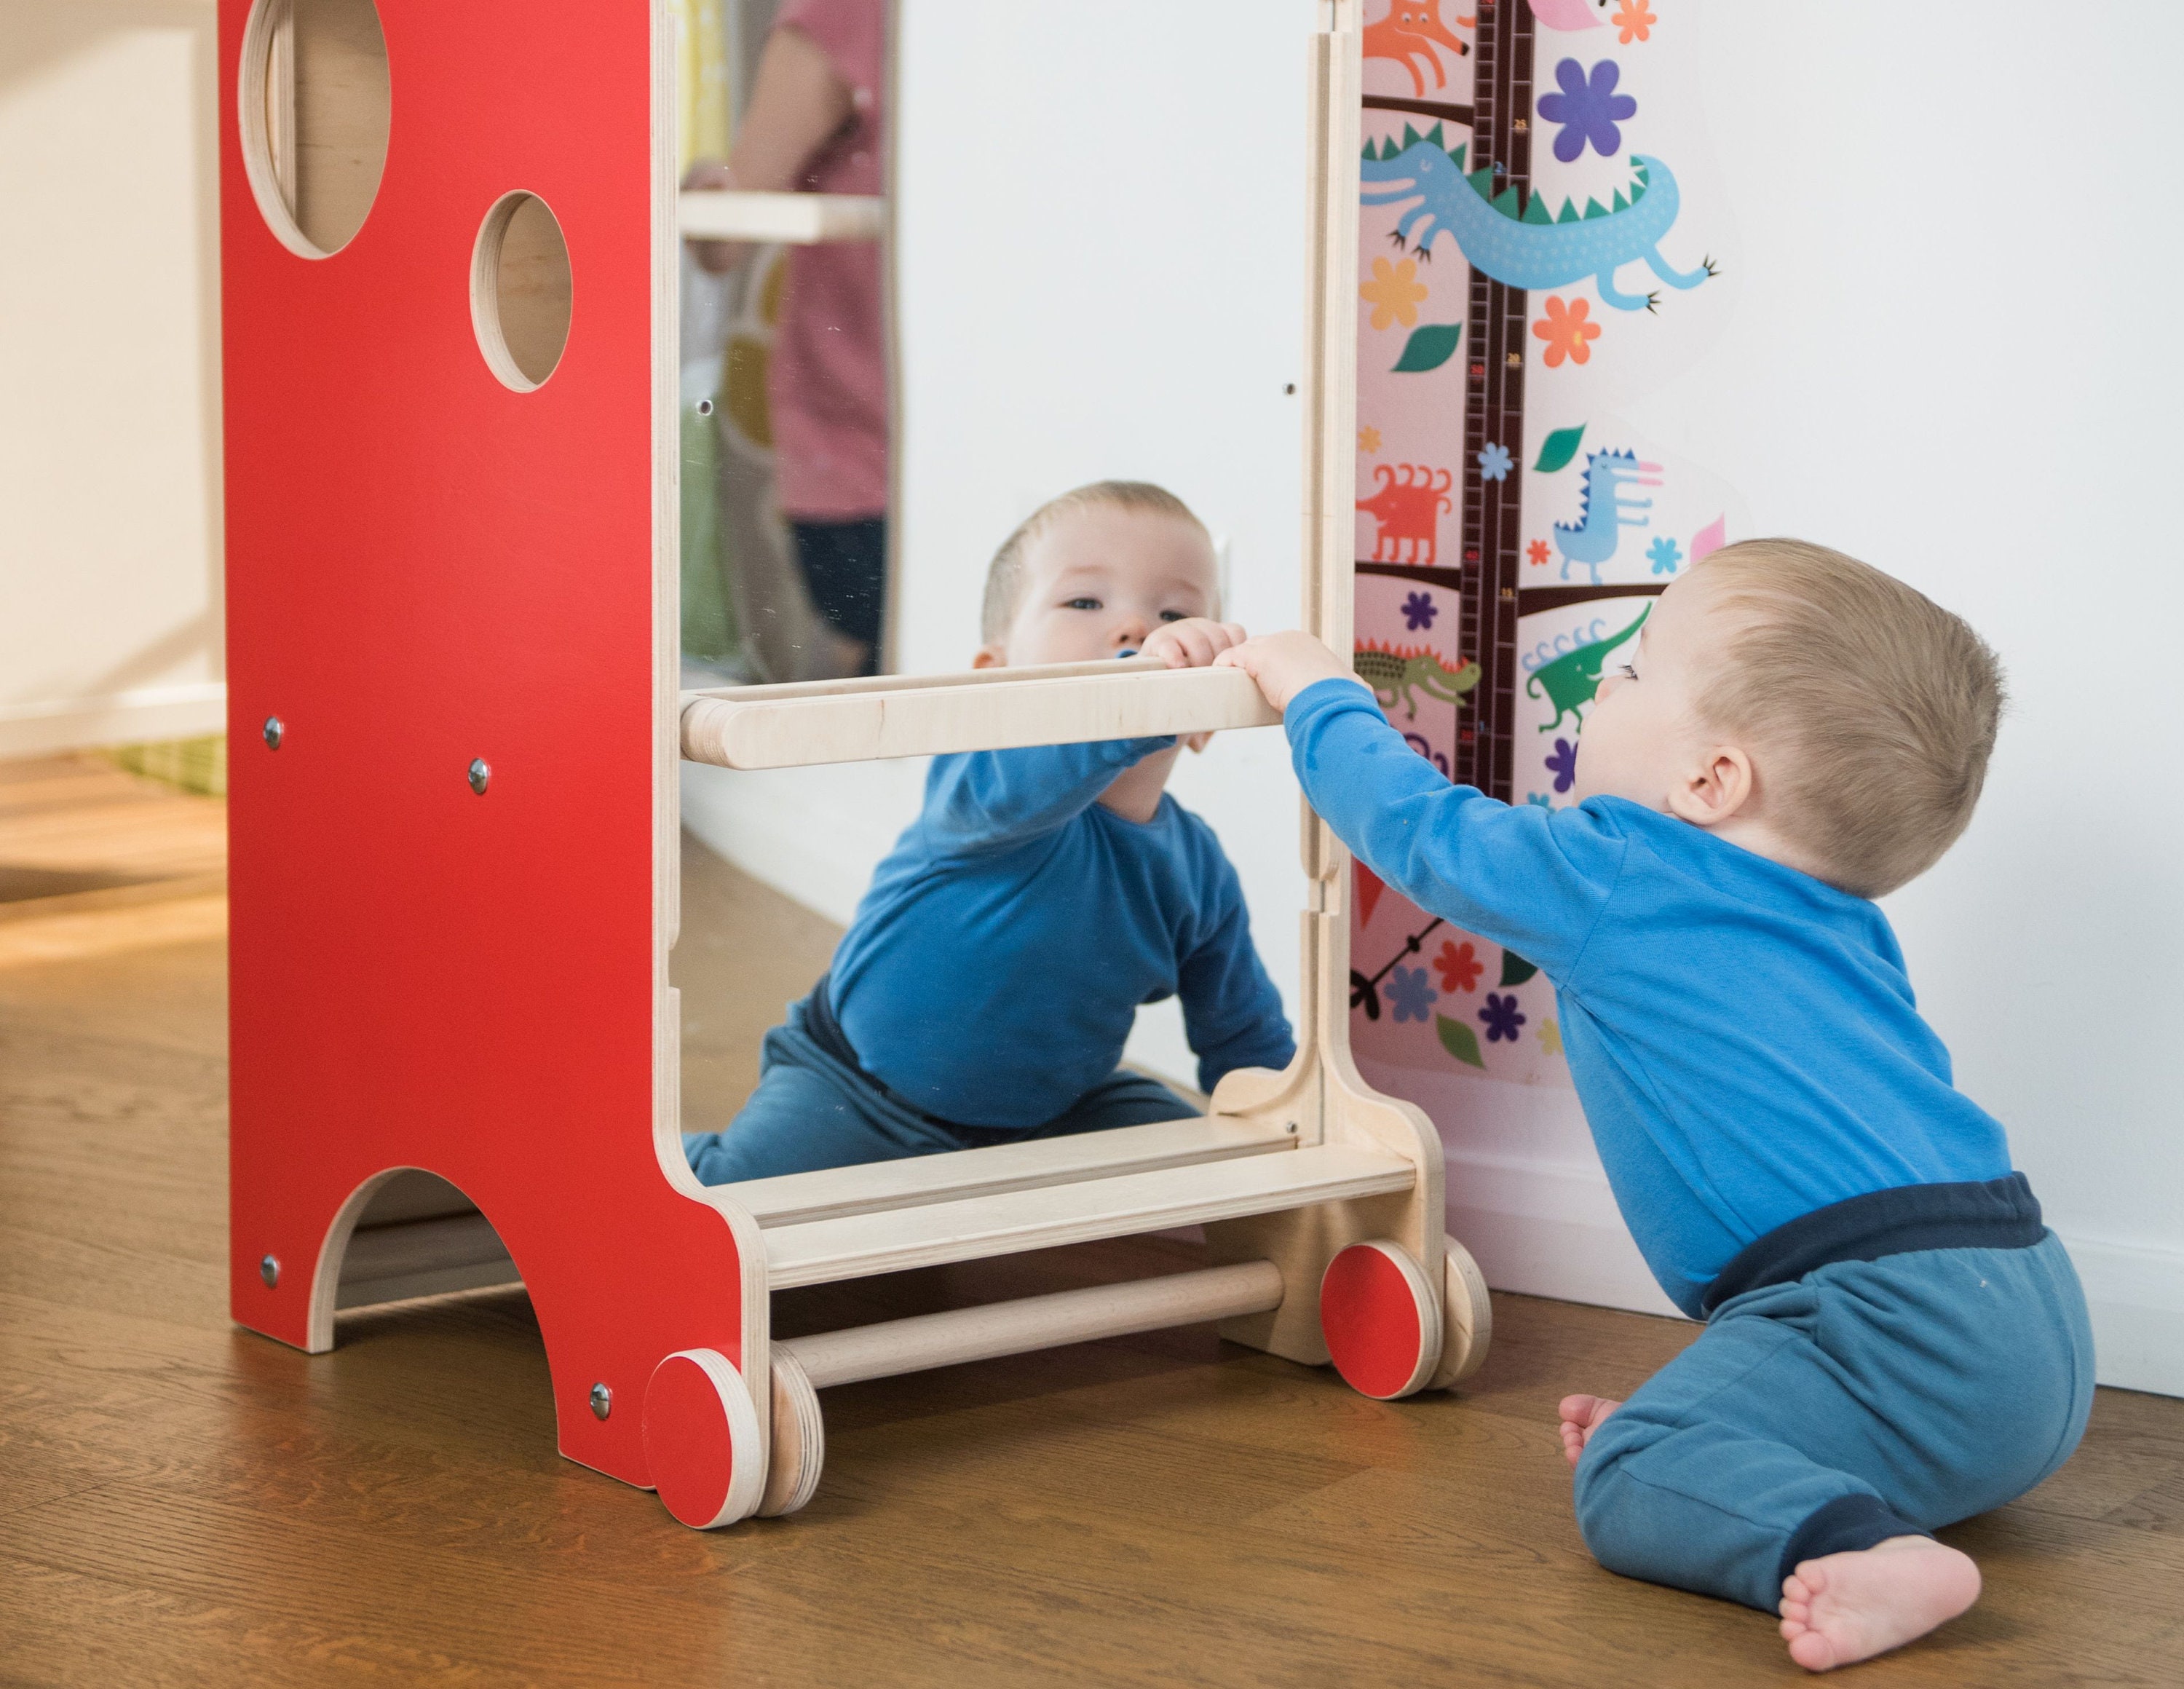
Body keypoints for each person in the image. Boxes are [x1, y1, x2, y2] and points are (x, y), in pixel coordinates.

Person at [1214, 539, 2094, 1674]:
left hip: (1889, 1320)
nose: (1601, 691)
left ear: (1709, 782)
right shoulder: (1842, 923)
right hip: (2033, 1328)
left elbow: (1422, 834)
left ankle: (1842, 1544)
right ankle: (1744, 1448)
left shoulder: (1621, 864)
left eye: (1629, 671)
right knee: (1681, 1428)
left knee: (1628, 1474)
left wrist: (1315, 692)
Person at [684, 481, 1297, 1184]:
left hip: (1057, 1113)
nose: (1137, 631)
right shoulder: (985, 783)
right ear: (993, 681)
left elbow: (1245, 1038)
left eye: (1175, 613)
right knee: (734, 1205)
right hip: (855, 1092)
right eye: (1085, 602)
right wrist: (1143, 688)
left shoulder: (1198, 869)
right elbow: (1051, 761)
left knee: (1191, 1165)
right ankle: (629, 1177)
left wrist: (1278, 1148)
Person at [687, 0, 889, 675]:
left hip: (977, 425)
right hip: (858, 455)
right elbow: (724, 238)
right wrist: (704, 195)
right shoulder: (844, 13)